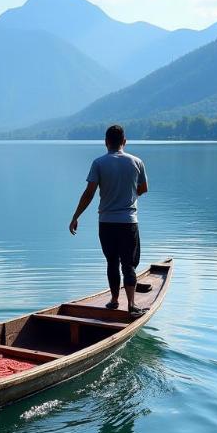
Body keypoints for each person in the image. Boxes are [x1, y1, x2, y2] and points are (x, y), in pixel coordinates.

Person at [68, 124, 148, 316]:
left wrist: (75, 216)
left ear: (106, 143)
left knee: (112, 261)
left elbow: (88, 194)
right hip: (129, 222)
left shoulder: (99, 163)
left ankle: (113, 300)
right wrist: (129, 195)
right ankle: (131, 304)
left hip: (106, 222)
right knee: (128, 264)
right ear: (124, 141)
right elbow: (143, 188)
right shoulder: (137, 162)